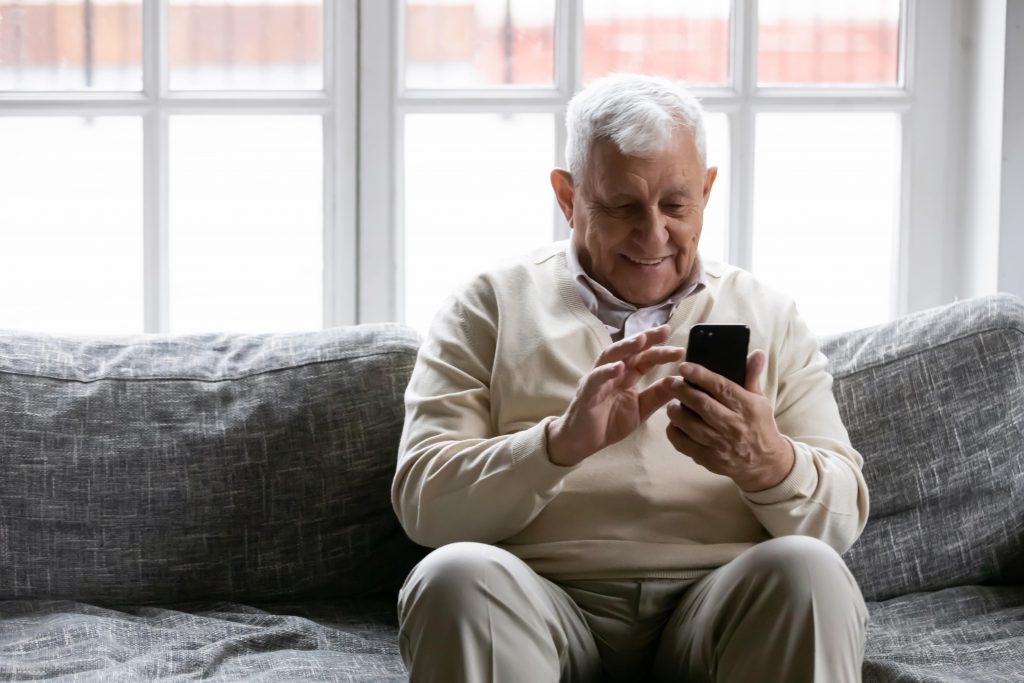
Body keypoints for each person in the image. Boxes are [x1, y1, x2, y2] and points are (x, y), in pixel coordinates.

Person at [391, 73, 870, 683]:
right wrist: (556, 446)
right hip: (538, 601)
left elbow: (839, 523)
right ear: (567, 197)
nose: (653, 233)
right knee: (454, 575)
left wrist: (768, 462)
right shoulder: (488, 305)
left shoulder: (768, 312)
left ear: (708, 189)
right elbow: (425, 507)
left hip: (723, 605)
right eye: (621, 207)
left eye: (676, 203)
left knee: (810, 569)